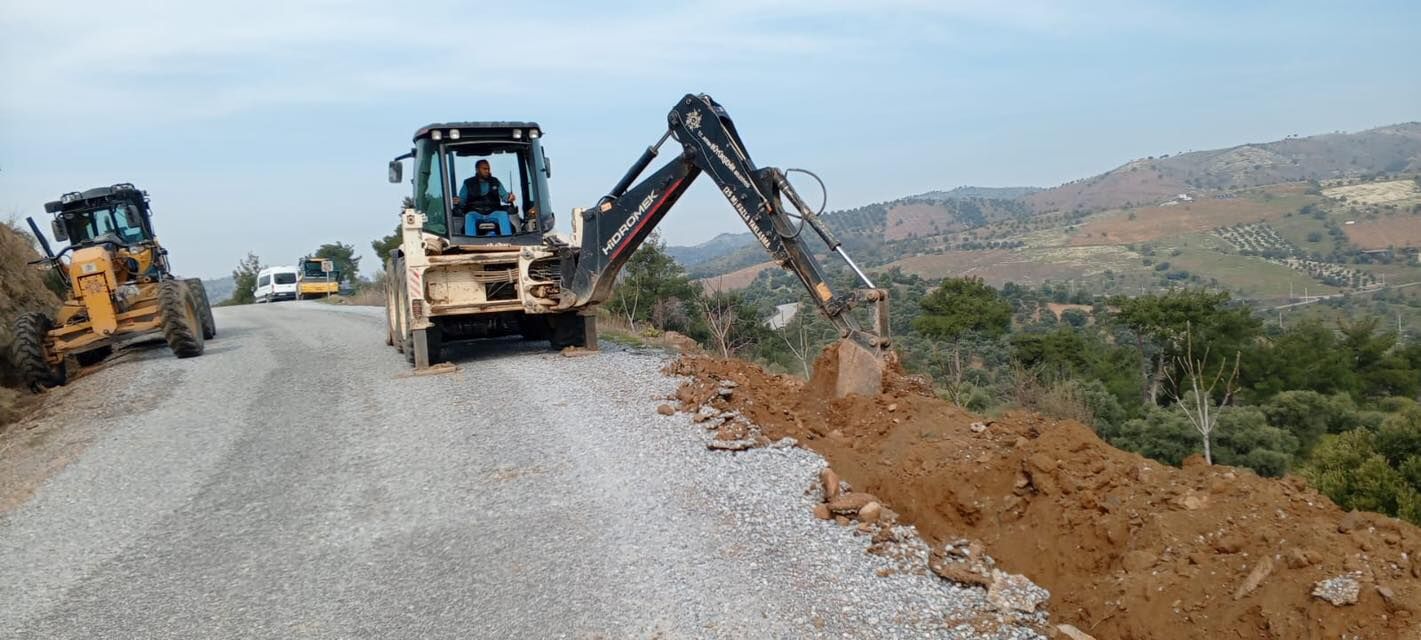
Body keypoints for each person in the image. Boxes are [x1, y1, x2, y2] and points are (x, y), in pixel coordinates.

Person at [455, 159, 516, 236]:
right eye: (484, 169)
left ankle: (508, 239)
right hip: (475, 211)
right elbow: (462, 200)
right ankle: (471, 242)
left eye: (488, 169)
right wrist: (459, 201)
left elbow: (505, 196)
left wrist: (509, 198)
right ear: (477, 170)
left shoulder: (495, 181)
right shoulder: (468, 183)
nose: (487, 171)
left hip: (493, 211)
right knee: (469, 216)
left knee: (503, 215)